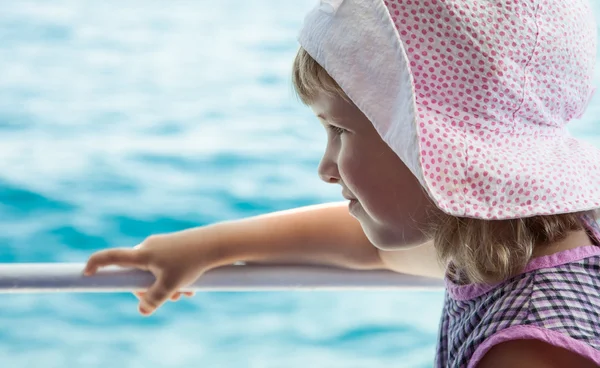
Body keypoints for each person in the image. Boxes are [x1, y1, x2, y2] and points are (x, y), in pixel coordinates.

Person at [84, 0, 600, 366]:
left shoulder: (531, 346)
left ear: (429, 142)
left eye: (339, 131)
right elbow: (374, 250)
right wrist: (208, 246)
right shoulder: (518, 245)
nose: (326, 167)